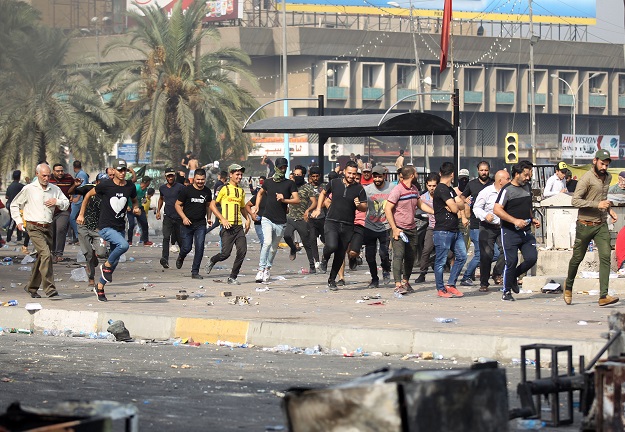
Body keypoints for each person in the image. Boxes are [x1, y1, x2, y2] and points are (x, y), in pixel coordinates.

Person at [78, 158, 141, 302]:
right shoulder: (105, 185)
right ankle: (105, 265)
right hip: (105, 227)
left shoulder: (130, 186)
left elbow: (135, 200)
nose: (122, 173)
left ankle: (99, 287)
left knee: (115, 261)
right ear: (113, 171)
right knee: (123, 246)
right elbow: (87, 195)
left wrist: (136, 208)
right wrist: (81, 214)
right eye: (119, 170)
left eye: (124, 170)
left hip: (119, 227)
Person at [564, 150, 619, 307]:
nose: (604, 167)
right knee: (577, 258)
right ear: (595, 161)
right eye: (602, 163)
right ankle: (568, 287)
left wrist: (609, 209)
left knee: (606, 256)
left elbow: (602, 198)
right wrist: (597, 205)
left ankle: (603, 295)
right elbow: (575, 201)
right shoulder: (586, 179)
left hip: (601, 224)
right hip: (584, 224)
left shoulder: (608, 177)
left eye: (607, 164)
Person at [9, 163, 70, 298]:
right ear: (37, 174)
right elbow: (14, 204)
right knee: (47, 255)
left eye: (48, 176)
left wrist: (57, 202)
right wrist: (19, 222)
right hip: (33, 226)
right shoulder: (29, 189)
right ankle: (50, 289)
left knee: (42, 258)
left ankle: (31, 287)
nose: (46, 178)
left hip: (48, 227)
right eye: (44, 175)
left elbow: (66, 204)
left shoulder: (55, 189)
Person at [311, 160, 367, 291]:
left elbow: (364, 207)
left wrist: (359, 205)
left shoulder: (359, 189)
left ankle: (332, 279)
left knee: (340, 254)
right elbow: (323, 193)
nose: (352, 176)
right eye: (349, 173)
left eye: (354, 174)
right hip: (332, 222)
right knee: (331, 245)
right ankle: (324, 258)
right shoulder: (334, 183)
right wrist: (318, 208)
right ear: (344, 172)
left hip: (348, 225)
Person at [493, 161, 540, 302]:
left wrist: (533, 218)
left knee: (532, 258)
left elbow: (527, 206)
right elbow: (497, 209)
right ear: (517, 174)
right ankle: (506, 291)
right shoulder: (507, 190)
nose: (528, 177)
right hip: (510, 231)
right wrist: (515, 221)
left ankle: (514, 276)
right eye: (526, 174)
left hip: (525, 231)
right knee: (511, 261)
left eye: (529, 174)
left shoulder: (527, 187)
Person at [385, 165, 433, 295]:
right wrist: (394, 228)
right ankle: (397, 284)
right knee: (399, 255)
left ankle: (406, 281)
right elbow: (387, 209)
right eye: (416, 172)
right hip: (399, 229)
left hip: (412, 229)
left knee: (410, 257)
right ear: (412, 175)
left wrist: (433, 212)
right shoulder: (397, 190)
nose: (417, 174)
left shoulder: (414, 189)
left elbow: (420, 204)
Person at [254, 157, 300, 283]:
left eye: (285, 167)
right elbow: (260, 193)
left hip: (280, 221)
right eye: (280, 167)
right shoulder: (268, 182)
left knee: (274, 248)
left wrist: (284, 200)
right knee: (267, 242)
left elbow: (297, 200)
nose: (283, 169)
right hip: (267, 218)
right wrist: (257, 206)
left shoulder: (289, 184)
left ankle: (268, 268)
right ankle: (261, 269)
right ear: (276, 168)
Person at [206, 164, 251, 284]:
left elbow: (242, 207)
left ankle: (232, 277)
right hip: (226, 227)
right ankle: (213, 260)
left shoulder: (241, 191)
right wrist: (222, 219)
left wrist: (248, 219)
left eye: (241, 174)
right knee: (225, 254)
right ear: (231, 175)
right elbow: (212, 205)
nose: (240, 177)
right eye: (237, 174)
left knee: (242, 251)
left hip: (238, 226)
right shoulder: (223, 189)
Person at [432, 162, 467, 298]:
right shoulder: (441, 189)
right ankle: (441, 288)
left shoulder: (450, 190)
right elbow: (454, 208)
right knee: (441, 260)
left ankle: (451, 284)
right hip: (442, 230)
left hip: (454, 230)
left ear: (441, 173)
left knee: (462, 256)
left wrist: (454, 204)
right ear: (452, 175)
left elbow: (462, 205)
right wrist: (454, 205)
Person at [473, 170, 509, 292]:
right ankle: (484, 282)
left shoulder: (508, 192)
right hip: (487, 226)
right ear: (500, 181)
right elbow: (476, 208)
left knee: (506, 250)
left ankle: (497, 273)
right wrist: (485, 215)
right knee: (486, 254)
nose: (509, 181)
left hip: (502, 226)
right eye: (507, 179)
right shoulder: (486, 192)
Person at [175, 169, 213, 279]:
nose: (200, 182)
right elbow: (177, 205)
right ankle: (181, 256)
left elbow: (208, 205)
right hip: (187, 224)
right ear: (194, 179)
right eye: (198, 179)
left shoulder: (207, 191)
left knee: (200, 247)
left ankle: (195, 271)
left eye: (202, 180)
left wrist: (209, 218)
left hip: (200, 223)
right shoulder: (186, 190)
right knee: (186, 247)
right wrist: (184, 217)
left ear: (205, 179)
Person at [459, 161, 494, 286]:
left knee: (495, 253)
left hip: (491, 224)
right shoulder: (472, 184)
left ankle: (473, 268)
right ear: (477, 171)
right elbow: (462, 197)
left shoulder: (493, 184)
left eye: (486, 170)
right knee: (480, 254)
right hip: (476, 224)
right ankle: (466, 277)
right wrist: (465, 199)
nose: (484, 172)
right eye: (481, 170)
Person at [283, 165, 318, 274]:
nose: (297, 176)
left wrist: (308, 210)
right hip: (290, 218)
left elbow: (314, 202)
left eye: (299, 175)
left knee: (307, 244)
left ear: (303, 175)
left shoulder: (307, 187)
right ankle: (293, 248)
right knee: (287, 235)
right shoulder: (290, 186)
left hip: (302, 219)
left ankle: (312, 265)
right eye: (295, 174)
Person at [75, 173, 108, 287]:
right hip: (84, 225)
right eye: (101, 183)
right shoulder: (88, 188)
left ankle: (95, 256)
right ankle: (91, 278)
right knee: (88, 254)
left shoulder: (109, 195)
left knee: (102, 253)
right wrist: (75, 185)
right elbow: (73, 191)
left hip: (98, 228)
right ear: (97, 182)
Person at [363, 165, 393, 288]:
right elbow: (361, 204)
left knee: (384, 253)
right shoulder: (367, 190)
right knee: (369, 255)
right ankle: (374, 279)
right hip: (370, 226)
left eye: (379, 177)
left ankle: (386, 269)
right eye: (375, 176)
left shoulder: (392, 188)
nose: (377, 179)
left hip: (385, 226)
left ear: (384, 176)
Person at [48, 163, 80, 262]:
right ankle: (52, 253)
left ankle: (59, 253)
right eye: (58, 171)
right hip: (51, 210)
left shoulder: (68, 178)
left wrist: (75, 185)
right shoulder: (49, 179)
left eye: (61, 170)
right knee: (52, 231)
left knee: (61, 229)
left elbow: (70, 191)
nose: (60, 173)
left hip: (64, 209)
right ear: (53, 172)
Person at [156, 168, 185, 269]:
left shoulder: (180, 187)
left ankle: (181, 258)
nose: (170, 178)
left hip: (179, 217)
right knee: (166, 237)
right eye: (168, 176)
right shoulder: (162, 188)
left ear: (174, 176)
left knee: (180, 240)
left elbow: (184, 200)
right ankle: (165, 259)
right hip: (168, 216)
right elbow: (161, 199)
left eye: (172, 176)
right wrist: (158, 211)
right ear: (165, 177)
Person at [415, 173, 440, 283]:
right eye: (430, 186)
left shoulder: (442, 196)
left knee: (448, 253)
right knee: (426, 250)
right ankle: (422, 273)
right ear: (426, 185)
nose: (432, 188)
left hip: (443, 228)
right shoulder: (423, 198)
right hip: (431, 226)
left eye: (434, 186)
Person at [307, 166, 326, 263]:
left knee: (326, 240)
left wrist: (318, 206)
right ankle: (316, 260)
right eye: (313, 176)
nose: (315, 178)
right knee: (312, 239)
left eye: (317, 176)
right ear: (310, 176)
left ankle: (324, 258)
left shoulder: (324, 187)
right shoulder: (307, 187)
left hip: (322, 217)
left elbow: (327, 201)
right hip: (311, 218)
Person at [127, 176, 153, 246]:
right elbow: (128, 195)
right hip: (131, 208)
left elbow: (143, 197)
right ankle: (129, 241)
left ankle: (146, 240)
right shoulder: (136, 188)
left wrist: (144, 199)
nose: (149, 183)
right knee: (131, 224)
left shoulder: (145, 189)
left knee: (144, 223)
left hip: (139, 207)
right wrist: (128, 206)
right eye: (149, 182)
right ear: (146, 182)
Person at [69, 160, 89, 244]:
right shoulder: (81, 174)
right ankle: (79, 236)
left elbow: (83, 187)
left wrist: (77, 197)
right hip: (78, 199)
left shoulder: (81, 175)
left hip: (79, 201)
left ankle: (78, 236)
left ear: (74, 168)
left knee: (72, 217)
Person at [5, 170, 26, 250]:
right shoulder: (20, 186)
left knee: (18, 221)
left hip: (9, 204)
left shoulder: (10, 186)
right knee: (13, 222)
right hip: (15, 206)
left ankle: (19, 238)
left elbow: (6, 196)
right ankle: (8, 239)